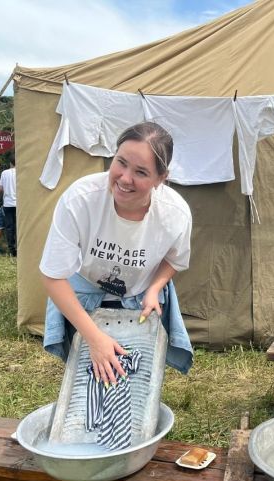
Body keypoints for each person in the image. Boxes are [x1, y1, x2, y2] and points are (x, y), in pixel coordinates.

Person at [40, 121, 193, 385]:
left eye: (141, 172)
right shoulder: (81, 200)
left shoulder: (174, 214)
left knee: (134, 380)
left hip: (137, 300)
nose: (125, 178)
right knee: (90, 379)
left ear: (161, 178)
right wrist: (94, 338)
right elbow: (52, 276)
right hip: (85, 295)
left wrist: (155, 288)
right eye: (120, 162)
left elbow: (174, 258)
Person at [0, 155, 17, 256]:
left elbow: (0, 189)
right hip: (20, 204)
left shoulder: (4, 173)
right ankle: (20, 247)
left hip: (8, 203)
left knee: (9, 226)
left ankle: (11, 248)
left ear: (10, 163)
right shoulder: (22, 172)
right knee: (19, 225)